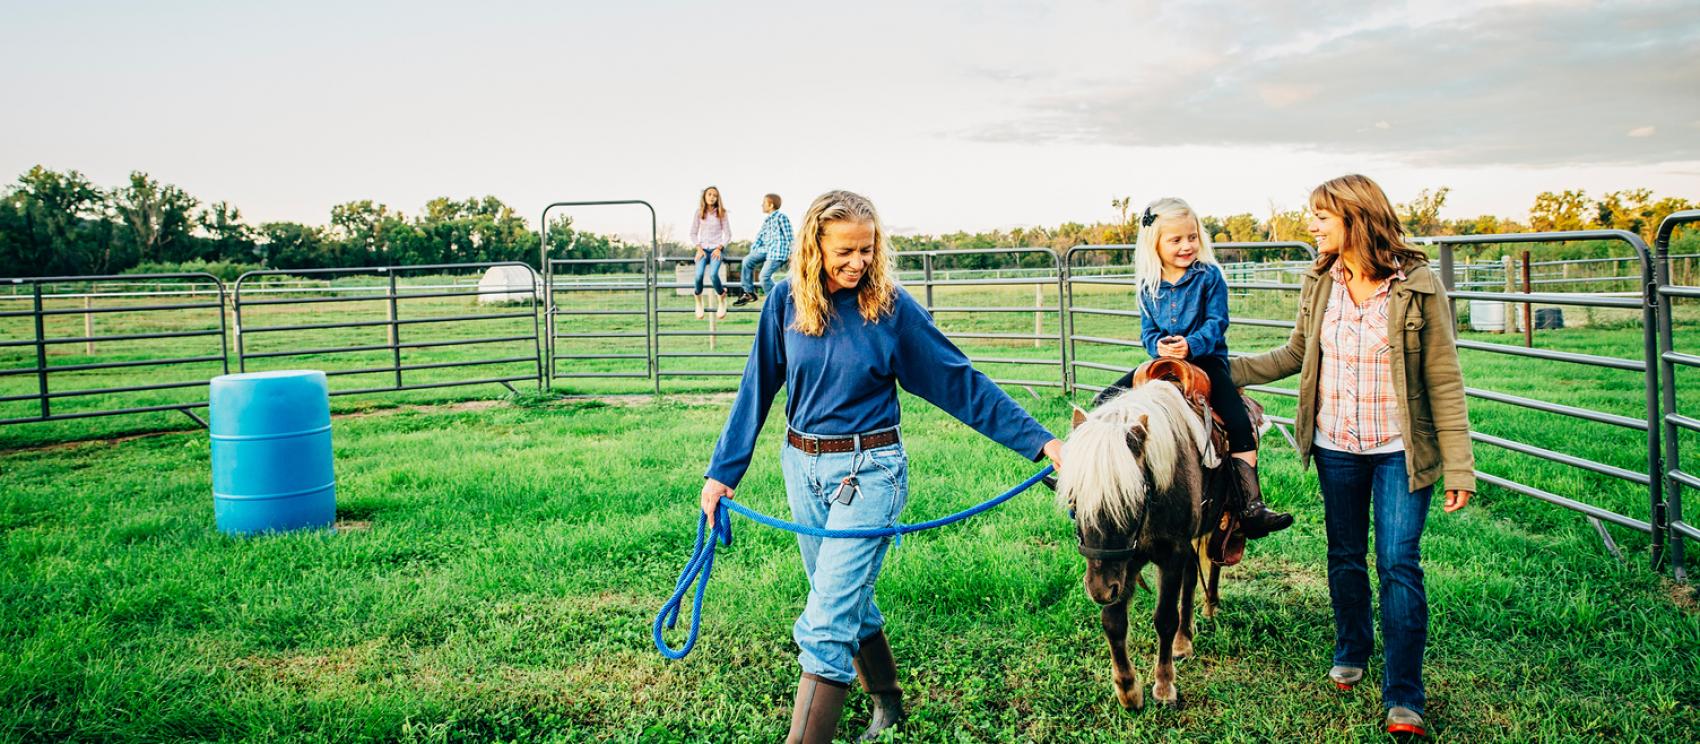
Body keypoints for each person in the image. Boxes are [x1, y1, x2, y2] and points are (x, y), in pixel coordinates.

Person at [699, 190, 1064, 743]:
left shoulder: (890, 307)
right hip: (802, 465)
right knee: (841, 595)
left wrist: (1043, 443)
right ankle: (888, 705)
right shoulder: (783, 302)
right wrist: (723, 471)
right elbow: (758, 388)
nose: (858, 262)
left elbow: (960, 382)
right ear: (812, 246)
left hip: (870, 472)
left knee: (826, 621)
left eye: (867, 250)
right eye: (844, 251)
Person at [1230, 174, 1476, 738]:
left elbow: (1444, 378)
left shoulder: (1417, 285)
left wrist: (1459, 465)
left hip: (1399, 449)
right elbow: (1295, 354)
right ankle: (1353, 646)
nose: (1311, 226)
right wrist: (1222, 367)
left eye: (1321, 216)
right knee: (1344, 554)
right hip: (1335, 443)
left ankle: (1404, 695)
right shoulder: (1319, 281)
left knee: (1397, 563)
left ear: (1355, 218)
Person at [1098, 197, 1293, 539]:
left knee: (1235, 419)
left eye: (1191, 237)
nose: (1186, 246)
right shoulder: (1148, 284)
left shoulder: (1209, 277)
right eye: (1175, 240)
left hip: (1205, 360)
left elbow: (1218, 323)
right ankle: (1096, 485)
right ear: (1154, 243)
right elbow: (1148, 331)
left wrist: (1192, 344)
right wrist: (1157, 345)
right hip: (1162, 364)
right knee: (1104, 402)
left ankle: (1251, 505)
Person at [733, 193, 794, 306]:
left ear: (771, 205)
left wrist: (792, 253)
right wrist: (753, 252)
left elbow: (789, 236)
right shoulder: (767, 221)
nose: (762, 205)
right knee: (747, 261)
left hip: (777, 252)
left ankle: (776, 301)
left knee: (763, 276)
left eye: (764, 203)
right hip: (765, 250)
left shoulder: (781, 217)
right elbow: (759, 238)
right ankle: (749, 292)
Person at [691, 185, 732, 319]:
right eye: (709, 194)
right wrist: (698, 247)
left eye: (714, 195)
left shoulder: (722, 213)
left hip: (716, 250)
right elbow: (693, 233)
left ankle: (721, 297)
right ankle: (698, 300)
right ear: (704, 196)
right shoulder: (699, 212)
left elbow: (728, 234)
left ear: (717, 198)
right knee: (698, 275)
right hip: (702, 250)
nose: (712, 197)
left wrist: (720, 248)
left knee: (714, 274)